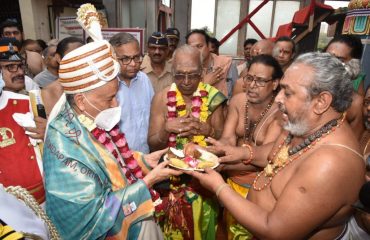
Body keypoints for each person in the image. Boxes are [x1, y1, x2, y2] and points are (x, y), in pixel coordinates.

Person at [188, 52, 365, 239]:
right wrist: (236, 152)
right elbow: (272, 155)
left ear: (321, 101)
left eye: (287, 92)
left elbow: (275, 231)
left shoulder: (331, 163)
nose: (278, 99)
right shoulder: (303, 125)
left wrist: (218, 186)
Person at [43, 5, 180, 239]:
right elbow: (89, 217)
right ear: (81, 100)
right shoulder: (64, 145)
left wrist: (146, 161)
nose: (116, 105)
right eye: (109, 98)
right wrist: (147, 181)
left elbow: (113, 161)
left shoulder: (93, 118)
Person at [148, 45, 227, 239]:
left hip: (204, 184)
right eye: (179, 75)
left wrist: (208, 131)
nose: (186, 82)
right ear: (172, 71)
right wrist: (166, 129)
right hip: (170, 184)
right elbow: (152, 144)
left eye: (192, 75)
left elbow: (224, 143)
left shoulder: (214, 98)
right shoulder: (162, 98)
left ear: (202, 72)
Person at [218, 54, 283, 238]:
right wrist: (215, 150)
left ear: (275, 83)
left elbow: (264, 160)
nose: (252, 85)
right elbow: (228, 139)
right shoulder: (238, 101)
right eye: (250, 78)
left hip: (258, 190)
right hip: (231, 184)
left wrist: (220, 163)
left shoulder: (281, 112)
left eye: (261, 81)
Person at [0, 39, 45, 204]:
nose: (18, 72)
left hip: (42, 197)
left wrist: (48, 133)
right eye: (10, 67)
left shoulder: (31, 101)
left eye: (20, 66)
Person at [109, 32, 154, 154]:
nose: (133, 64)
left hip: (146, 157)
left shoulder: (144, 80)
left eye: (136, 57)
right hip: (119, 161)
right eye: (125, 59)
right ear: (112, 58)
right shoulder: (106, 87)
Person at [186, 29, 238, 99]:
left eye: (200, 46)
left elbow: (237, 96)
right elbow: (185, 99)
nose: (196, 51)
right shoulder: (185, 69)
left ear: (209, 46)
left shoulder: (227, 64)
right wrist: (204, 84)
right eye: (192, 48)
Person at [40, 37, 84, 116]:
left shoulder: (99, 84)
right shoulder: (48, 92)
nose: (79, 60)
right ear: (58, 58)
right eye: (73, 56)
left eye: (83, 55)